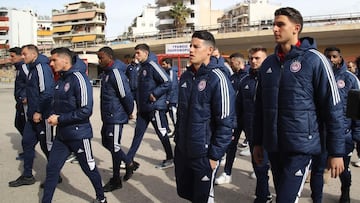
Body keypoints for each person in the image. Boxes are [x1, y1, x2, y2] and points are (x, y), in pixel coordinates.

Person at [252, 7, 345, 203]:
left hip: (301, 148)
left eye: (280, 24)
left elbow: (333, 108)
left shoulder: (315, 59)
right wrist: (258, 143)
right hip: (275, 147)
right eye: (274, 25)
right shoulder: (268, 64)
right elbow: (260, 108)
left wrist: (336, 152)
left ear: (296, 28)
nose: (275, 29)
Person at [174, 30, 236, 203]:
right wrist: (178, 143)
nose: (191, 50)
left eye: (196, 46)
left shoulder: (218, 77)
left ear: (209, 51)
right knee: (187, 193)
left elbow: (226, 123)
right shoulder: (186, 76)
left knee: (203, 198)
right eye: (190, 46)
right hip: (184, 151)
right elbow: (182, 114)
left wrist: (214, 156)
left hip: (204, 154)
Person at [42, 47, 106, 203]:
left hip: (79, 134)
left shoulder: (79, 78)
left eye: (54, 60)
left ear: (65, 60)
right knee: (52, 169)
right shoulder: (61, 79)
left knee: (89, 168)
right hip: (62, 135)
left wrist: (60, 119)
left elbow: (86, 110)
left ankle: (101, 198)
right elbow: (57, 104)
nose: (51, 63)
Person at [309, 47, 360, 203]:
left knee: (342, 169)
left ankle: (345, 191)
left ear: (340, 58)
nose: (331, 59)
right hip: (321, 134)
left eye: (334, 57)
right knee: (317, 170)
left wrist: (357, 135)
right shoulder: (318, 76)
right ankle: (316, 199)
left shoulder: (350, 79)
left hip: (343, 135)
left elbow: (357, 111)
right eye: (328, 57)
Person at [124, 43, 173, 181]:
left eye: (138, 53)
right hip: (143, 109)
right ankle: (129, 160)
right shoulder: (141, 68)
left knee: (161, 133)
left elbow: (167, 82)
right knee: (137, 135)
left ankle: (170, 158)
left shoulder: (152, 65)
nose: (136, 55)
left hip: (155, 107)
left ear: (146, 53)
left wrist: (155, 94)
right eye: (136, 53)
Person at [9, 44, 55, 188]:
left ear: (34, 54)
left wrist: (39, 112)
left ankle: (55, 177)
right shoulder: (32, 68)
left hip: (43, 116)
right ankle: (27, 175)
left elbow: (47, 92)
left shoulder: (42, 68)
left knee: (47, 147)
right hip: (32, 116)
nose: (22, 57)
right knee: (27, 143)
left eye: (25, 54)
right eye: (21, 54)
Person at [97, 47, 134, 192]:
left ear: (110, 57)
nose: (100, 61)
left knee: (114, 146)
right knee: (107, 143)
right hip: (107, 116)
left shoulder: (116, 73)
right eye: (99, 58)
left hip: (115, 116)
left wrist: (129, 111)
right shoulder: (106, 73)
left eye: (102, 58)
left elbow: (126, 95)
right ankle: (128, 162)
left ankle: (116, 178)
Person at [240, 46, 272, 202]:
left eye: (257, 58)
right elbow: (239, 107)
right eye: (251, 58)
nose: (253, 61)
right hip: (252, 132)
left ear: (265, 60)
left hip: (271, 132)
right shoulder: (245, 80)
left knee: (265, 167)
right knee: (259, 167)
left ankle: (264, 196)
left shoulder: (273, 79)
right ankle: (264, 195)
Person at [215, 52, 248, 184]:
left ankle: (261, 172)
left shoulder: (249, 77)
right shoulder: (232, 78)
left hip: (250, 118)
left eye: (232, 62)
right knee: (230, 146)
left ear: (238, 62)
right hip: (236, 118)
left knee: (257, 147)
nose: (230, 65)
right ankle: (227, 173)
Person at [9, 47, 28, 160]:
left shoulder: (24, 67)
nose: (10, 59)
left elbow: (31, 82)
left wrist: (26, 96)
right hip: (20, 102)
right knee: (19, 124)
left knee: (26, 128)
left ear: (21, 55)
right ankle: (28, 150)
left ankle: (28, 151)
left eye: (12, 56)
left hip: (25, 102)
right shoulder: (19, 68)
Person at [161, 58, 179, 137]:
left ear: (168, 64)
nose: (162, 66)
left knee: (174, 116)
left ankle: (178, 131)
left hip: (172, 99)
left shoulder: (172, 72)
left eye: (164, 64)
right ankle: (167, 129)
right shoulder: (166, 72)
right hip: (167, 98)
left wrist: (168, 99)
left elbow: (172, 86)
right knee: (162, 113)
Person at [125, 55, 140, 119]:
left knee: (139, 104)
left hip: (138, 90)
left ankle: (139, 117)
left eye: (136, 58)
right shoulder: (129, 67)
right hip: (131, 89)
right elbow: (125, 76)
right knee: (130, 103)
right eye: (134, 58)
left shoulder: (140, 66)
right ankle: (129, 114)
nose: (135, 59)